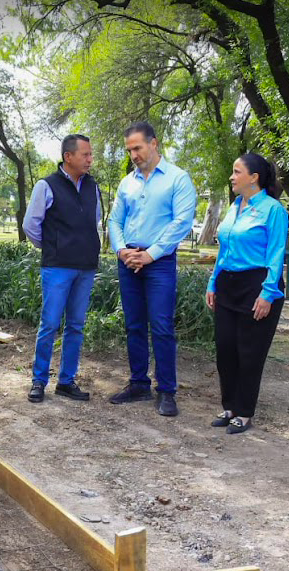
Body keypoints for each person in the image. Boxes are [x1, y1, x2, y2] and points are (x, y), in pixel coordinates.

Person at [108, 121, 196, 416]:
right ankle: (138, 385)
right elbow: (114, 221)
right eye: (129, 149)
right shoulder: (127, 183)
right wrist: (121, 250)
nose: (133, 154)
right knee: (133, 325)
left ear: (154, 144)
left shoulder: (177, 179)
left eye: (138, 147)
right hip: (129, 260)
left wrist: (151, 255)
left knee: (161, 326)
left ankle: (167, 391)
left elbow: (181, 223)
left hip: (159, 263)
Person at [205, 153, 287, 434]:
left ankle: (244, 412)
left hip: (258, 285)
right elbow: (224, 249)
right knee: (225, 348)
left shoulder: (273, 210)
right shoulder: (235, 206)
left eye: (236, 171)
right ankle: (229, 407)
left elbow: (276, 253)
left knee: (249, 352)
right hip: (228, 284)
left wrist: (268, 292)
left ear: (254, 177)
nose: (232, 177)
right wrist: (213, 282)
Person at [23, 134, 101, 403]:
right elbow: (31, 226)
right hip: (57, 268)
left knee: (76, 326)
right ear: (68, 157)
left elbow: (96, 221)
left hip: (86, 267)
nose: (90, 160)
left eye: (91, 155)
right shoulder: (46, 185)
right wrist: (52, 247)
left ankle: (66, 381)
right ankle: (39, 381)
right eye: (85, 155)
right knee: (50, 324)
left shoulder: (93, 187)